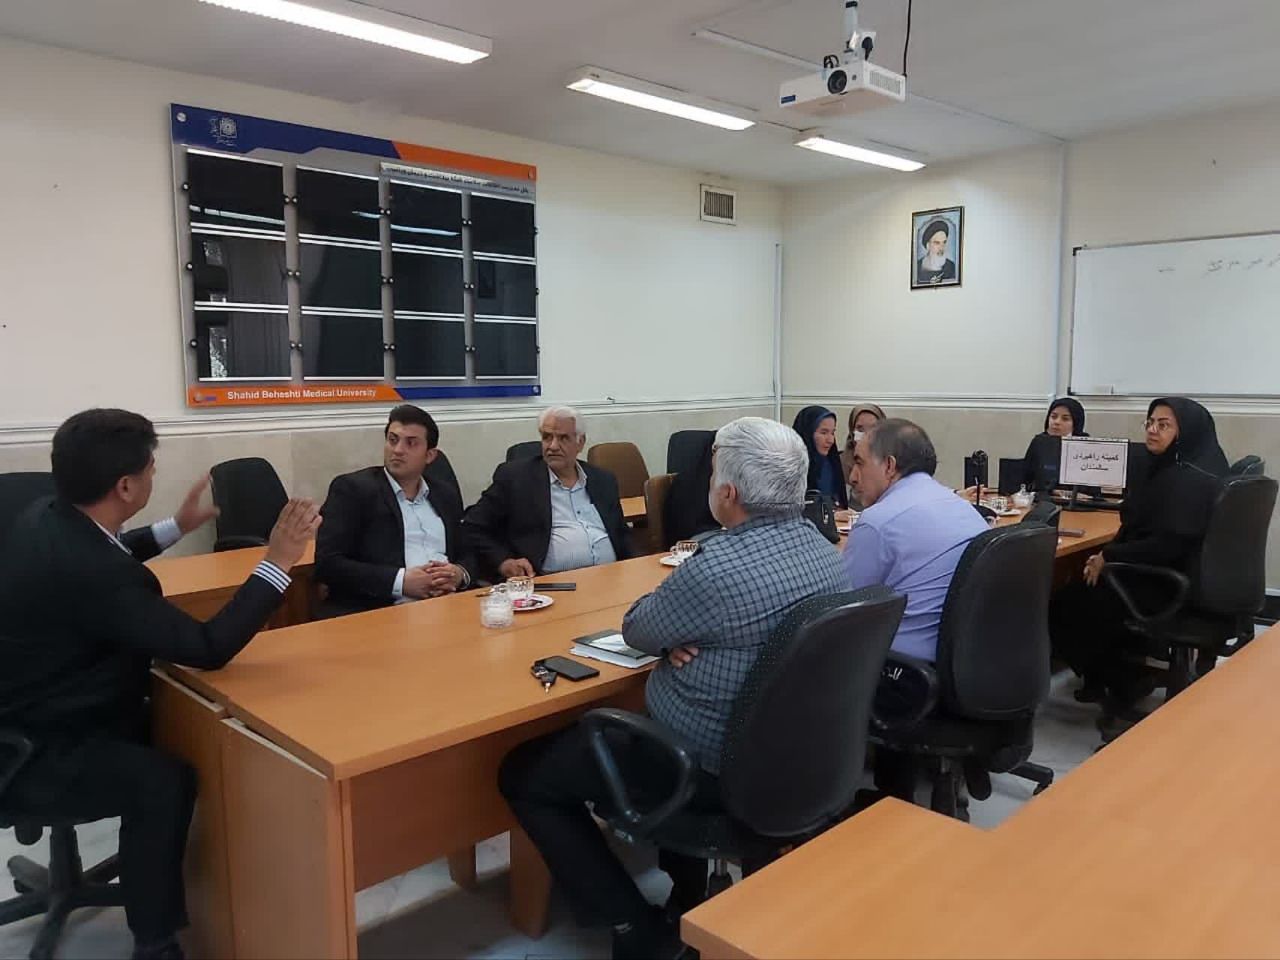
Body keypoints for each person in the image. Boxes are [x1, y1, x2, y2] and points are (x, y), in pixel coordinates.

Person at [498, 417, 847, 960]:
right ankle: (684, 889)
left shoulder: (717, 568)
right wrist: (690, 634)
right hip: (793, 756)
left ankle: (635, 929)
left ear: (728, 494)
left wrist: (680, 633)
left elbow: (639, 628)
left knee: (523, 772)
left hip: (701, 765)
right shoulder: (828, 555)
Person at [0, 409, 319, 960]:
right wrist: (279, 561)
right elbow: (207, 648)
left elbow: (106, 551)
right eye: (150, 467)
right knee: (165, 780)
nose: (154, 473)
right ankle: (155, 941)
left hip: (33, 708)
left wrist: (177, 526)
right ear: (125, 487)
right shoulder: (98, 574)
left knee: (193, 723)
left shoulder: (43, 514)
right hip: (35, 752)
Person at [1050, 397, 1228, 728]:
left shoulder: (1188, 480)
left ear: (1186, 432)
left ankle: (1122, 684)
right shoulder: (1191, 466)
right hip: (1173, 575)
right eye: (1150, 422)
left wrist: (1109, 556)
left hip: (1163, 582)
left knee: (1062, 605)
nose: (1152, 430)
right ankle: (1113, 676)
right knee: (1082, 590)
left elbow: (1167, 544)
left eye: (1164, 425)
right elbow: (1142, 528)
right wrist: (1106, 554)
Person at [844, 419, 989, 663]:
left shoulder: (878, 523)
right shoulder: (961, 506)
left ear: (889, 466)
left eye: (859, 462)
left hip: (900, 669)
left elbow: (842, 611)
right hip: (967, 660)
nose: (852, 477)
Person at [314, 404, 475, 618]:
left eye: (411, 443)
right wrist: (400, 582)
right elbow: (328, 564)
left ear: (429, 455)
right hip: (382, 611)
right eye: (393, 440)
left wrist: (459, 574)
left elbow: (469, 551)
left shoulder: (444, 494)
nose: (398, 450)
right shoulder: (353, 490)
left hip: (448, 606)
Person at [461, 406, 632, 581]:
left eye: (563, 438)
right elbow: (473, 526)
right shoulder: (515, 478)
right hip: (551, 583)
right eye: (547, 437)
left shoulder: (602, 480)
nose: (553, 446)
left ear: (580, 442)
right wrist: (504, 561)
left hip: (611, 578)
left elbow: (621, 534)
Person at [1021, 397, 1089, 493]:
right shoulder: (1039, 442)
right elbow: (1026, 479)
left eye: (1065, 419)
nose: (1057, 422)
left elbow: (1092, 488)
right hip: (1043, 497)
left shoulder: (1086, 445)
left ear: (1076, 423)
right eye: (1053, 417)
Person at [791, 405, 848, 509]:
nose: (830, 440)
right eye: (824, 433)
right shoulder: (791, 468)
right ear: (808, 432)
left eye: (832, 433)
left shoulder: (831, 463)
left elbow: (839, 501)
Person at [840, 403, 886, 508]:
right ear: (852, 430)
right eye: (860, 429)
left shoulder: (891, 461)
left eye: (873, 427)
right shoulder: (840, 462)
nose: (866, 434)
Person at [916, 218, 957, 285]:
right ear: (928, 245)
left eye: (944, 242)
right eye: (937, 243)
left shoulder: (951, 267)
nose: (941, 248)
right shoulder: (917, 266)